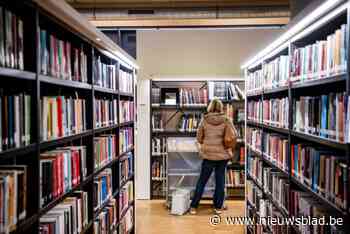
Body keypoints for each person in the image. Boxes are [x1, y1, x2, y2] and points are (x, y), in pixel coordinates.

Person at [189, 98, 237, 215]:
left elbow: (199, 138)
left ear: (210, 107)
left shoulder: (204, 120)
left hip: (208, 155)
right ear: (221, 107)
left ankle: (194, 207)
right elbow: (234, 135)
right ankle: (218, 207)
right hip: (222, 156)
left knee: (202, 181)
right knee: (220, 182)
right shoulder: (227, 120)